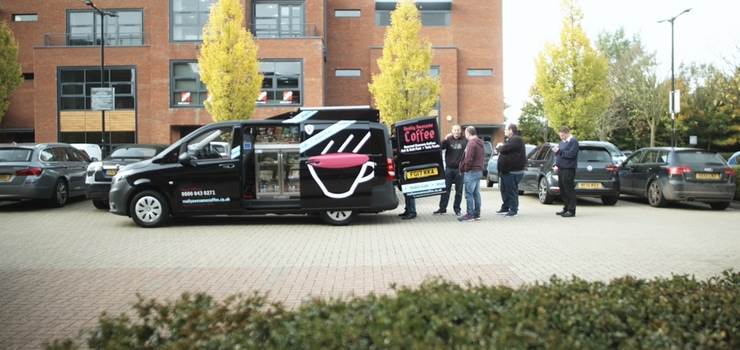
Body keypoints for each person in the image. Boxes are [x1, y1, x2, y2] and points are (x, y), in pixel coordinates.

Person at [434, 124, 467, 216]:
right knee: (445, 190)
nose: (456, 132)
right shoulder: (448, 140)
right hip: (449, 169)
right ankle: (442, 208)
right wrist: (444, 139)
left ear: (460, 131)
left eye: (458, 130)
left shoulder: (465, 140)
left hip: (460, 170)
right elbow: (439, 147)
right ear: (452, 131)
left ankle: (457, 209)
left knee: (459, 191)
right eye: (454, 130)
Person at [496, 123, 527, 217]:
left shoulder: (516, 139)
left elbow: (504, 149)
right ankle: (505, 207)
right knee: (504, 190)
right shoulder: (511, 140)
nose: (505, 131)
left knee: (511, 191)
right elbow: (505, 150)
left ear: (511, 130)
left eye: (506, 130)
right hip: (506, 171)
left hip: (512, 171)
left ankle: (513, 210)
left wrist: (499, 147)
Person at [458, 126, 485, 222]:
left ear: (468, 133)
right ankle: (477, 214)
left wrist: (465, 169)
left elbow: (468, 159)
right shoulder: (480, 142)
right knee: (476, 193)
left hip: (471, 171)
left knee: (469, 194)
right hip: (478, 171)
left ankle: (470, 214)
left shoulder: (471, 143)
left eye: (465, 133)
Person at [554, 126, 579, 218]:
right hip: (561, 168)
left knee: (569, 189)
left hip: (569, 168)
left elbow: (571, 154)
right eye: (560, 136)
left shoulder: (574, 142)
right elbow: (559, 156)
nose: (561, 137)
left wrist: (559, 151)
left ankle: (571, 210)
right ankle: (566, 207)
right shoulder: (562, 142)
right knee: (562, 188)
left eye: (562, 136)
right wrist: (556, 164)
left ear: (566, 133)